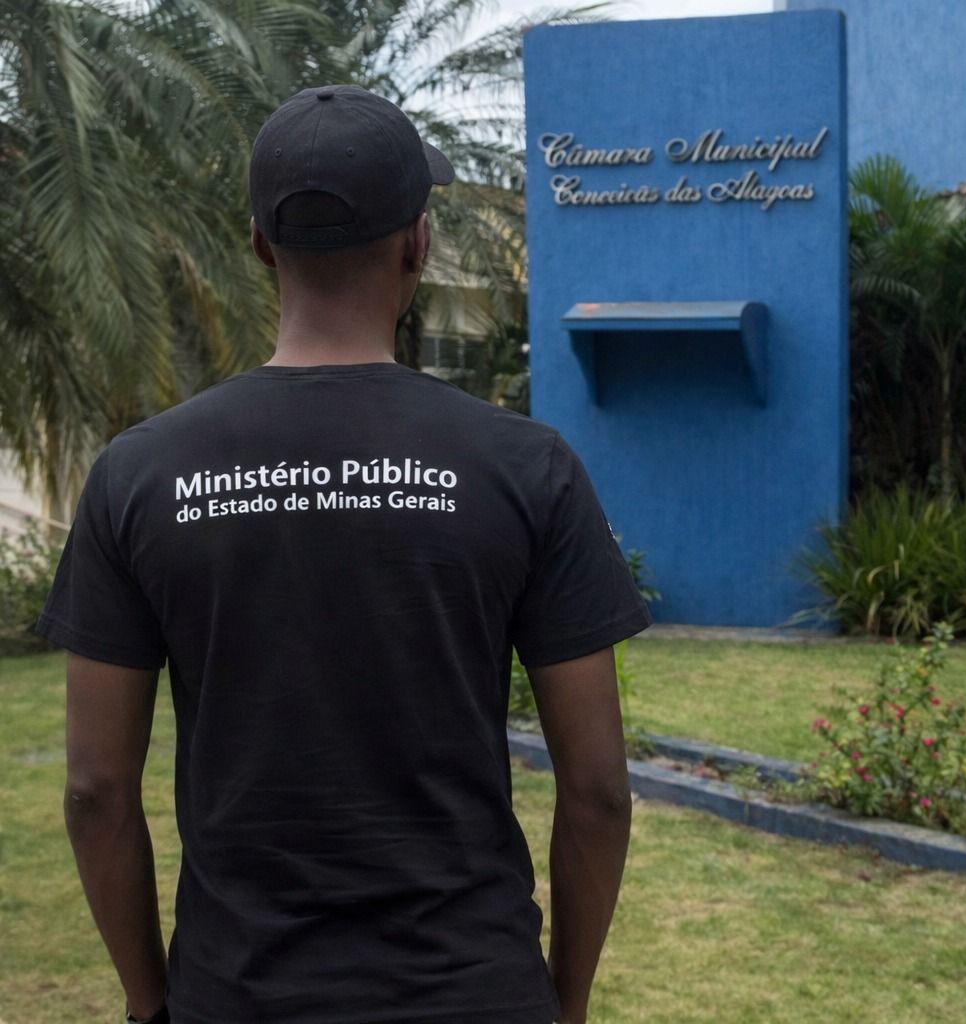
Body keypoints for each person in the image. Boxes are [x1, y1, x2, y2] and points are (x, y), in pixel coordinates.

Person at [34, 84, 653, 1024]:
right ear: (418, 243)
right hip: (475, 995)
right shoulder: (527, 468)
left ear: (258, 247)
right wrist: (560, 1004)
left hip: (236, 997)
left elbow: (95, 791)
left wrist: (149, 1003)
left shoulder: (138, 475)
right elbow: (600, 790)